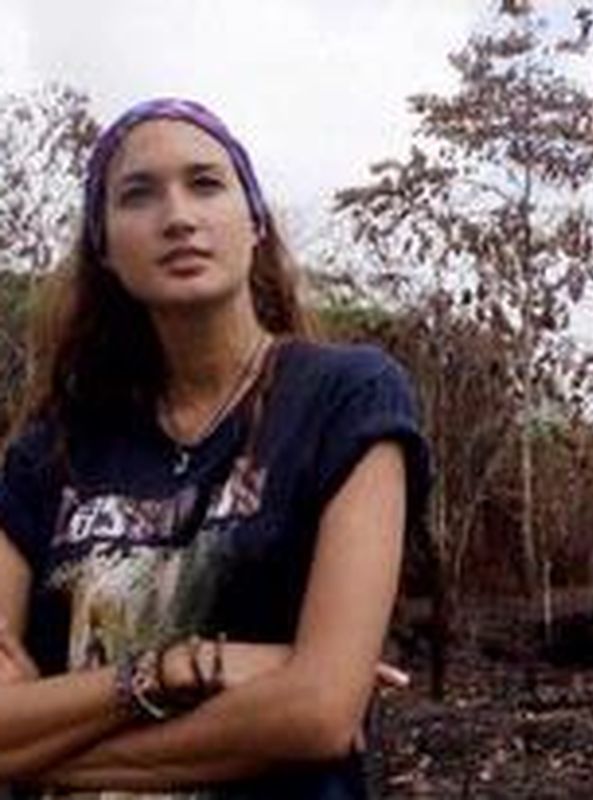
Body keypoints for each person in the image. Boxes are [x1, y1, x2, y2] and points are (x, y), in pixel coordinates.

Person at [0, 97, 430, 798]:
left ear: (254, 221)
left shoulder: (345, 399)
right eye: (137, 194)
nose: (177, 216)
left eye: (205, 183)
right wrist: (173, 671)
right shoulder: (51, 449)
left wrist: (36, 748)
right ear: (103, 246)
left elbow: (318, 714)